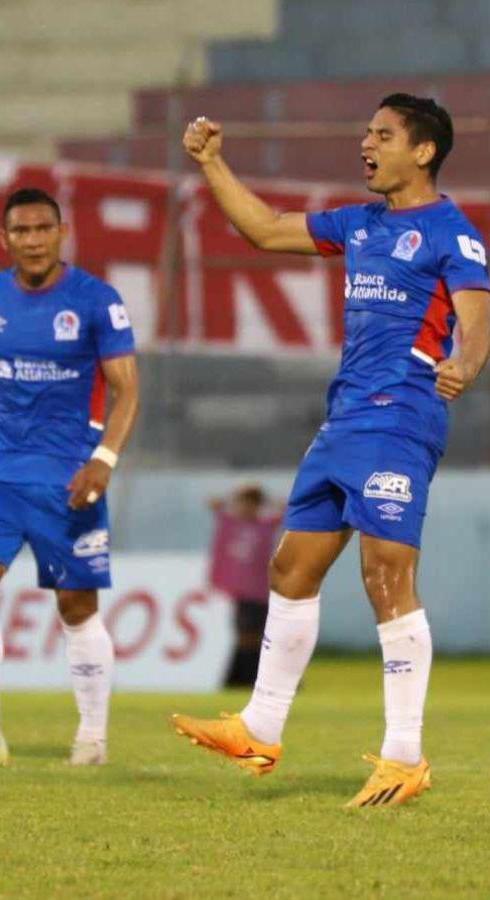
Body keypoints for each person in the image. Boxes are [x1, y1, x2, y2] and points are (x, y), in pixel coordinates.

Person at [171, 95, 490, 807]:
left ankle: (405, 757)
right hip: (343, 420)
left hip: (402, 418)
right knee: (291, 568)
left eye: (382, 135)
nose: (365, 144)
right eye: (366, 132)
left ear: (424, 151)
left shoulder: (451, 233)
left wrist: (467, 365)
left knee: (386, 576)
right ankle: (259, 726)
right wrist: (212, 163)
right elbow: (262, 229)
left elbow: (476, 318)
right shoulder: (360, 224)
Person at [0, 188, 141, 767]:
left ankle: (92, 737)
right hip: (1, 473)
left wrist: (103, 460)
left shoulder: (96, 300)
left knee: (76, 606)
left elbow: (127, 388)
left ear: (62, 233)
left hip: (70, 478)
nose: (32, 240)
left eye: (42, 229)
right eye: (21, 231)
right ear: (4, 239)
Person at [206, 485, 283, 687]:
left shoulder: (265, 526)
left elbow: (287, 510)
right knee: (245, 634)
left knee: (258, 636)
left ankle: (248, 677)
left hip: (260, 590)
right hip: (241, 592)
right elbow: (213, 503)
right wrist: (234, 499)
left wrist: (266, 502)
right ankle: (241, 677)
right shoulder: (231, 523)